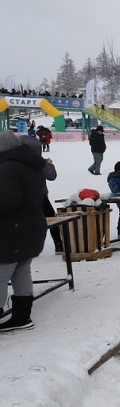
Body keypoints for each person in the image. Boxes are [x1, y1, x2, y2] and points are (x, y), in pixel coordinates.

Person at [0, 131, 46, 332]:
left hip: (12, 232)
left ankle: (19, 316)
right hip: (32, 228)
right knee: (21, 271)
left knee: (1, 275)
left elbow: (8, 201)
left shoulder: (8, 168)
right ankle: (21, 317)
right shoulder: (32, 165)